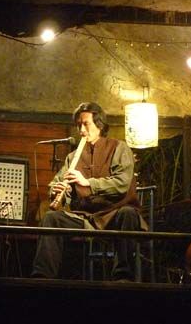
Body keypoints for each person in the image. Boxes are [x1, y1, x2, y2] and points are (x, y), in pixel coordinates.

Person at [31, 102, 147, 280]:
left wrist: (87, 183)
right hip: (86, 217)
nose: (81, 130)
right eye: (79, 125)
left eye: (86, 124)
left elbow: (122, 183)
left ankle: (123, 277)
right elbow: (58, 184)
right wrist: (58, 191)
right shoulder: (73, 157)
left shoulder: (119, 148)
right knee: (51, 218)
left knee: (129, 213)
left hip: (113, 215)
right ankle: (42, 278)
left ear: (99, 125)